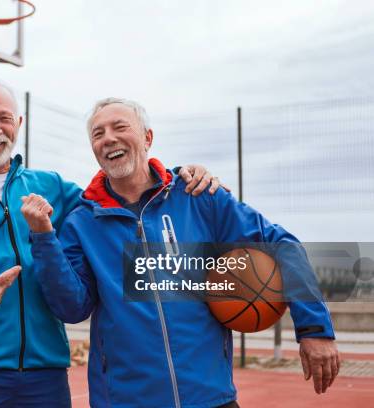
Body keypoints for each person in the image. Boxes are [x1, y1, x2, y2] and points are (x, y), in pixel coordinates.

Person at [0, 77, 224, 407]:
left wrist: (179, 176)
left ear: (18, 124)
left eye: (4, 118)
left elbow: (116, 203)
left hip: (44, 379)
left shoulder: (51, 187)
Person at [21, 97, 340, 408]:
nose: (109, 139)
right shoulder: (82, 222)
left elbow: (283, 245)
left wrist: (313, 327)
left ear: (147, 137)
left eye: (120, 127)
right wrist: (44, 237)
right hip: (125, 399)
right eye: (98, 133)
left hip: (210, 396)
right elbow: (72, 308)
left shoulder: (199, 196)